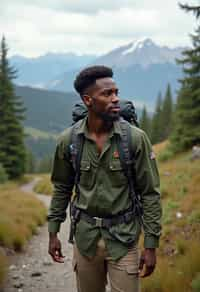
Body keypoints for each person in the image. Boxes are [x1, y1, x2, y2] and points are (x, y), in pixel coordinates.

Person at [48, 65, 162, 292]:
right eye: (107, 94)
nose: (116, 99)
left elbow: (150, 194)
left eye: (116, 92)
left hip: (124, 239)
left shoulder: (135, 139)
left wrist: (150, 245)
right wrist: (53, 233)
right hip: (85, 239)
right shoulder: (68, 141)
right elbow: (62, 188)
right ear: (88, 100)